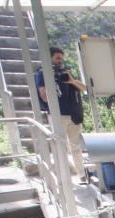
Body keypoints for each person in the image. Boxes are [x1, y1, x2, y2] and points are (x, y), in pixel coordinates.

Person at [36, 47, 87, 181]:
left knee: (76, 146)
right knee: (60, 147)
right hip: (58, 115)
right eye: (57, 58)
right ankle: (64, 177)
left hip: (74, 114)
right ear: (50, 58)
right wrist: (51, 82)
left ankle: (81, 174)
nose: (60, 61)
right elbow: (44, 96)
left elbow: (84, 89)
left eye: (61, 59)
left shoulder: (65, 73)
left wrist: (72, 81)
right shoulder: (42, 73)